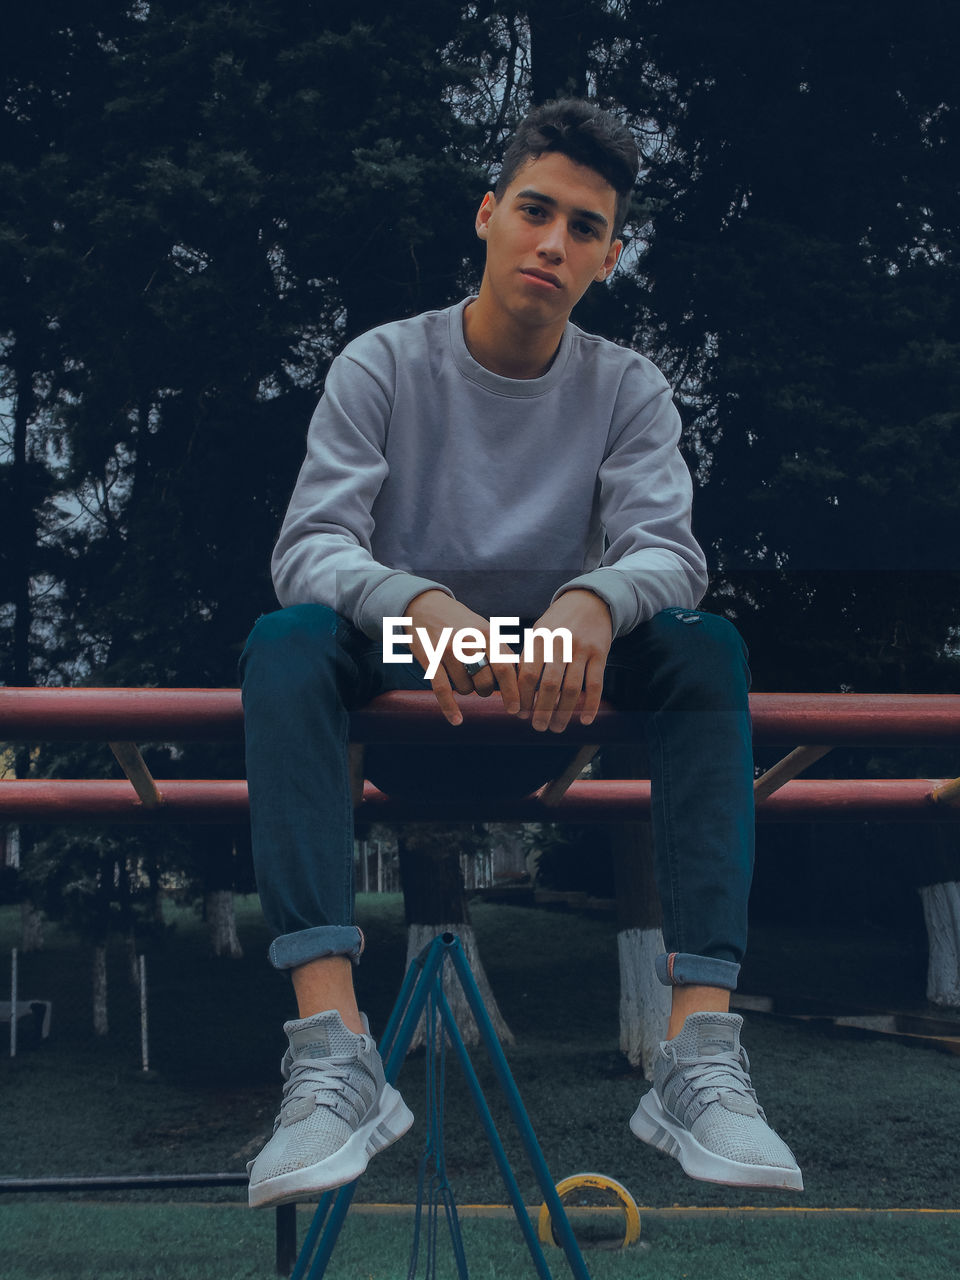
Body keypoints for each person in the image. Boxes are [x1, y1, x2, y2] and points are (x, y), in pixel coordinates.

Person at [239, 98, 803, 1210]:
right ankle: (331, 1051)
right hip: (413, 665)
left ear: (607, 256)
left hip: (556, 684)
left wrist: (593, 600)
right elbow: (307, 545)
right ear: (489, 215)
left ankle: (698, 1054)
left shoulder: (626, 389)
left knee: (706, 647)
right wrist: (417, 600)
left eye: (584, 228)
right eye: (535, 211)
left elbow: (668, 554)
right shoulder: (384, 364)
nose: (554, 242)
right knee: (288, 641)